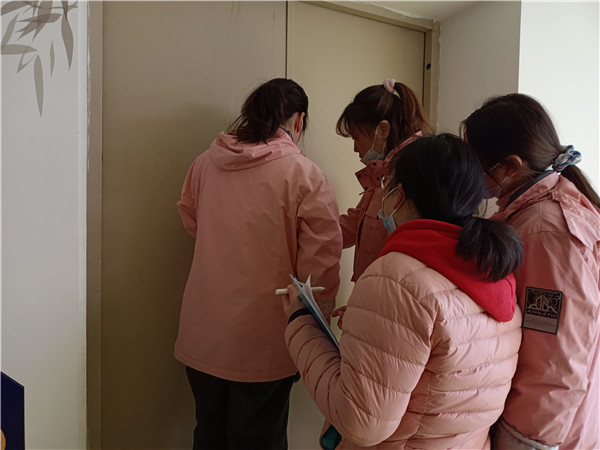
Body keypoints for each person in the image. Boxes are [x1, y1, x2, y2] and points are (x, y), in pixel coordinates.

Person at [282, 134, 524, 449]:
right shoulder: (493, 271)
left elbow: (361, 422)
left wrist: (300, 322)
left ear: (400, 195)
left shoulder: (396, 279)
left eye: (388, 184)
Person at [175, 78, 342, 449]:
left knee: (208, 434)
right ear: (299, 120)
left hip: (203, 331)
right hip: (266, 340)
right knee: (259, 440)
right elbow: (319, 269)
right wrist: (315, 332)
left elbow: (191, 220)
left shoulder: (205, 163)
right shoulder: (304, 175)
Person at [461, 94, 600, 449]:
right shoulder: (539, 211)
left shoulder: (544, 232)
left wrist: (525, 439)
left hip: (541, 428)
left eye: (478, 163)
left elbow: (556, 355)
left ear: (511, 166)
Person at [337, 79, 433, 281]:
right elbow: (356, 222)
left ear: (383, 130)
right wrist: (313, 229)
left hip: (392, 289)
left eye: (356, 138)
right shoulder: (382, 173)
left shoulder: (416, 171)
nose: (355, 148)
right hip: (374, 288)